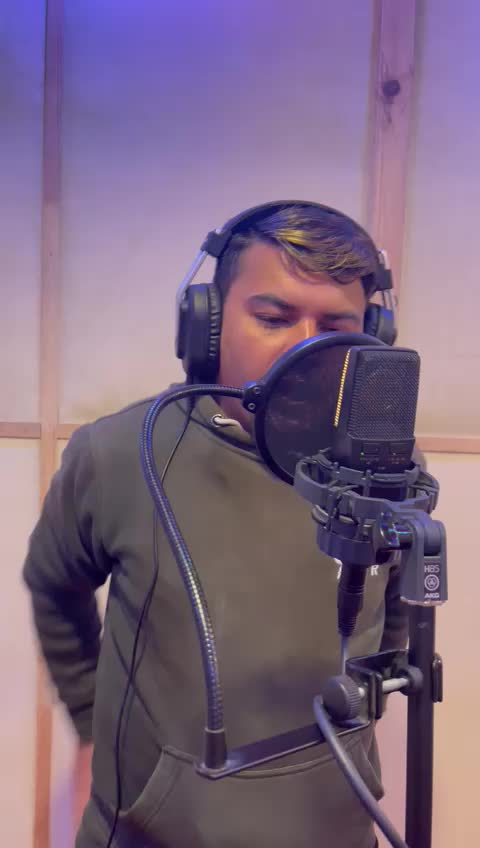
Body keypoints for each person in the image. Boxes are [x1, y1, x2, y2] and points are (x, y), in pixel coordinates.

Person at [23, 201, 407, 848]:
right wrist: (92, 722)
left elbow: (395, 614)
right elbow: (54, 584)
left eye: (335, 326)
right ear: (207, 325)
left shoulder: (387, 468)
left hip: (333, 830)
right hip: (149, 832)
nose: (306, 345)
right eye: (273, 318)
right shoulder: (117, 454)